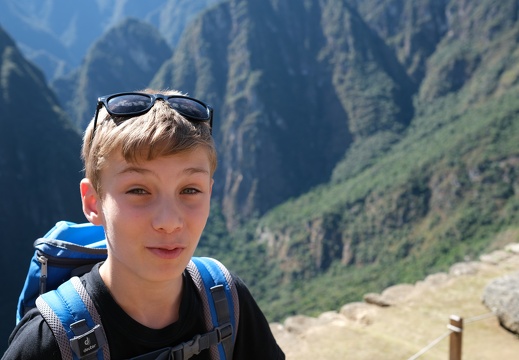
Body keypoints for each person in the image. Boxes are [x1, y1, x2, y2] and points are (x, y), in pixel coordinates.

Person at [3, 89, 285, 359]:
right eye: (139, 191)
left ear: (209, 194)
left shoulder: (228, 301)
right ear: (93, 203)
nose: (169, 222)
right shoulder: (46, 343)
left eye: (190, 190)